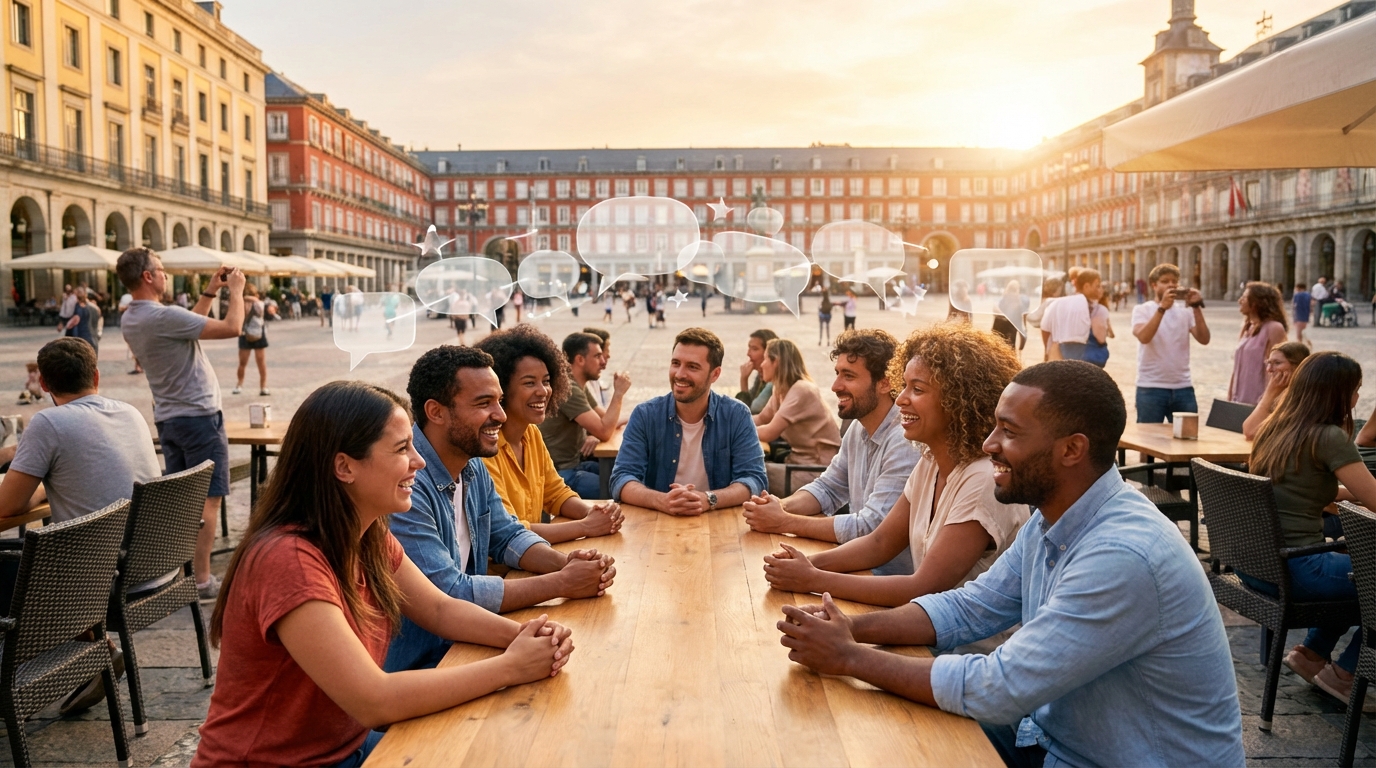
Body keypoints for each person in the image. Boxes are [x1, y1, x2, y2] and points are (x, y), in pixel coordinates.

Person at [775, 360, 1246, 767]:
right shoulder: (1052, 517)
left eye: (1009, 432)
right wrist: (850, 629)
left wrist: (850, 657)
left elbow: (998, 687)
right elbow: (970, 606)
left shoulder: (1123, 556)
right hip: (1052, 738)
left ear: (1072, 450)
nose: (989, 444)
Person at [194, 381, 575, 767]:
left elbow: (440, 609)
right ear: (344, 467)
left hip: (346, 749)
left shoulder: (367, 534)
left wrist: (524, 637)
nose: (419, 461)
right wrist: (511, 666)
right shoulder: (288, 560)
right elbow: (374, 701)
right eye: (401, 448)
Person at [760, 324, 1027, 608]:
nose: (900, 399)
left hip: (948, 633)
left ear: (958, 400)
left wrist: (812, 577)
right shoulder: (930, 462)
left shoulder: (982, 478)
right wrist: (803, 563)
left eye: (917, 389)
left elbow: (922, 587)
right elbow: (879, 543)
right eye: (905, 385)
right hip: (917, 620)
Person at [385, 346, 614, 673]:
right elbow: (450, 593)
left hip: (470, 644)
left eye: (499, 400)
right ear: (436, 412)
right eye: (484, 403)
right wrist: (562, 582)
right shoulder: (407, 485)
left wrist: (567, 564)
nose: (501, 415)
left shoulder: (472, 464)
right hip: (423, 666)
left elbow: (506, 534)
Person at [0, 339, 160, 715]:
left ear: (43, 384)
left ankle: (57, 664)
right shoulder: (130, 412)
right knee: (48, 552)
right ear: (96, 376)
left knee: (15, 564)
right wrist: (45, 484)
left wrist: (36, 483)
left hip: (101, 581)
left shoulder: (49, 423)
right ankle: (98, 651)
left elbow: (7, 506)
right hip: (152, 564)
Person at [1246, 352, 1376, 704]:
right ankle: (1345, 674)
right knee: (1368, 576)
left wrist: (1350, 495)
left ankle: (1312, 654)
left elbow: (1308, 490)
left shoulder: (1276, 427)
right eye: (1356, 389)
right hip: (1298, 568)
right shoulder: (1329, 436)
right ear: (1338, 393)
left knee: (1356, 565)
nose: (1358, 397)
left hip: (1258, 566)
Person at [118, 247, 243, 599]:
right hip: (199, 416)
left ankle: (182, 572)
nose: (165, 274)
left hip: (169, 418)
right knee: (208, 498)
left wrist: (210, 291)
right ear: (147, 276)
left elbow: (188, 327)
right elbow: (232, 327)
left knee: (181, 499)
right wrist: (236, 290)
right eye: (160, 269)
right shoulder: (163, 316)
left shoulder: (131, 318)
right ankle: (201, 580)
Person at [742, 329, 918, 574]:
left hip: (884, 580)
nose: (835, 386)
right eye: (837, 374)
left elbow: (871, 527)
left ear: (885, 382)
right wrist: (779, 506)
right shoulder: (858, 427)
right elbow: (828, 488)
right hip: (855, 566)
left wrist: (784, 521)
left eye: (849, 376)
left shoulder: (905, 439)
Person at [474, 326, 624, 544]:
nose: (543, 391)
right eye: (529, 383)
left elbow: (556, 493)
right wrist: (586, 526)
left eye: (546, 381)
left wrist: (592, 513)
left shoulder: (531, 433)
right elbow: (507, 530)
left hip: (535, 555)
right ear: (501, 389)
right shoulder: (485, 448)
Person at [611, 328, 766, 516]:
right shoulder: (645, 415)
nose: (680, 374)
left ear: (715, 374)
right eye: (676, 363)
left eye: (692, 367)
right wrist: (662, 501)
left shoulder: (737, 415)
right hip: (657, 521)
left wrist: (708, 499)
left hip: (718, 521)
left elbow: (754, 479)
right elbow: (622, 478)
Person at [539, 332, 627, 499]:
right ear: (580, 359)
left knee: (626, 475)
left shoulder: (578, 385)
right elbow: (604, 431)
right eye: (597, 356)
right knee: (621, 490)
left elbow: (605, 419)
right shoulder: (568, 388)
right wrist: (619, 393)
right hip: (561, 473)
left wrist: (632, 417)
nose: (603, 362)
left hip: (576, 464)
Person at [753, 339, 842, 495]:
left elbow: (769, 432)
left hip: (818, 472)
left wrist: (734, 431)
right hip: (798, 464)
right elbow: (761, 418)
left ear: (776, 361)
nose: (762, 364)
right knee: (749, 470)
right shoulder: (780, 390)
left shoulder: (802, 390)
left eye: (765, 358)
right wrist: (733, 422)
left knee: (750, 472)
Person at [1131, 264, 1211, 423]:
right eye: (1165, 281)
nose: (1171, 285)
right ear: (1154, 285)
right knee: (1148, 436)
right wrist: (1162, 308)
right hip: (1150, 387)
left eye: (1174, 281)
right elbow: (1144, 337)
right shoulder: (1142, 310)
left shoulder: (1185, 311)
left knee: (1187, 435)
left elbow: (1204, 339)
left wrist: (1196, 307)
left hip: (1183, 387)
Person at [1227, 281, 1289, 405]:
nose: (1240, 301)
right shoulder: (1247, 327)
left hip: (1259, 401)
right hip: (1238, 399)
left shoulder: (1274, 328)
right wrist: (1230, 396)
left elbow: (1275, 370)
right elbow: (1237, 368)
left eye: (1244, 297)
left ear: (1256, 303)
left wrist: (1267, 402)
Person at [1241, 341, 1311, 440]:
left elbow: (1252, 432)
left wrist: (1270, 393)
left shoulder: (1306, 398)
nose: (1269, 369)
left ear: (1298, 367)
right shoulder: (1278, 393)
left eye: (1277, 363)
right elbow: (1249, 429)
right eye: (1269, 363)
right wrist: (1270, 393)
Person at [234, 284, 270, 397]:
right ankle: (261, 386)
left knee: (248, 362)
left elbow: (260, 308)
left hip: (251, 333)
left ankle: (242, 385)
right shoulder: (243, 304)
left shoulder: (254, 303)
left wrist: (246, 299)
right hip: (251, 333)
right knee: (255, 362)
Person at [736, 329, 778, 415]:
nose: (748, 353)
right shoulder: (760, 376)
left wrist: (743, 380)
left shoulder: (774, 381)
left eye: (754, 349)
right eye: (749, 348)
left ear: (767, 353)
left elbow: (747, 413)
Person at [990, 280, 1028, 351]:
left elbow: (995, 310)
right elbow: (1022, 317)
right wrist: (1024, 332)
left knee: (997, 349)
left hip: (999, 328)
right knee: (1009, 349)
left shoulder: (1003, 299)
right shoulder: (1018, 301)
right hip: (1009, 329)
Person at [63, 287, 99, 352]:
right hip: (86, 338)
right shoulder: (94, 308)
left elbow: (75, 320)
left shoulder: (85, 307)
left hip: (86, 338)